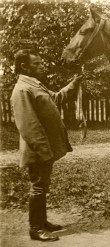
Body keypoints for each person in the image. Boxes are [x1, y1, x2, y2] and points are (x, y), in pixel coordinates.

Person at [10, 49, 82, 242]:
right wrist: (44, 151)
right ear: (24, 66)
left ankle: (42, 222)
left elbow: (57, 98)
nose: (43, 66)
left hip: (43, 151)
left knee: (42, 185)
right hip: (37, 151)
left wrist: (74, 83)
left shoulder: (34, 85)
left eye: (42, 63)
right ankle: (35, 229)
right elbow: (29, 126)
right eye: (37, 64)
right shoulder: (22, 90)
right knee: (38, 187)